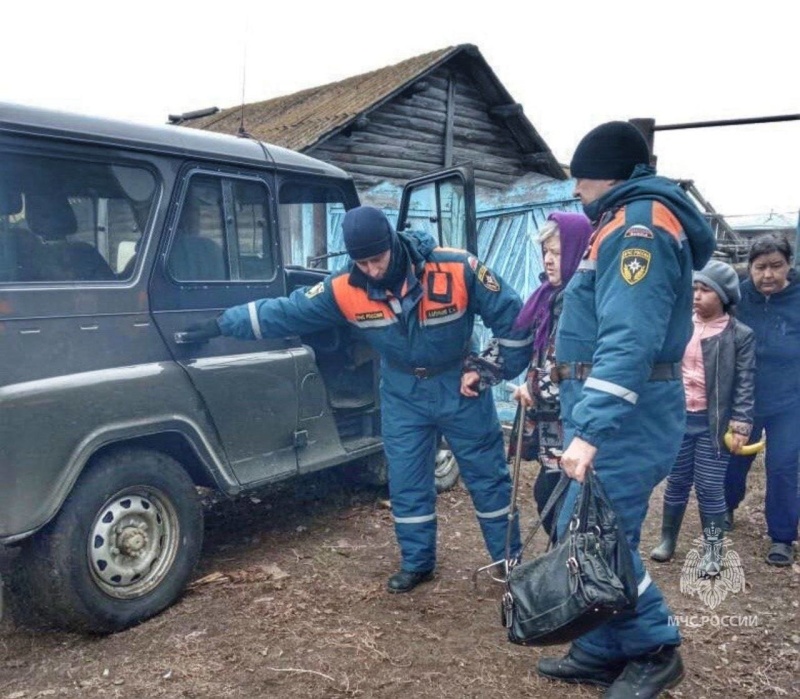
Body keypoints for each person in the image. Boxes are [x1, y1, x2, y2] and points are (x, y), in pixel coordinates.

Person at [181, 206, 531, 592]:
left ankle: (508, 562)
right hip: (402, 393)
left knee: (488, 479)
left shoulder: (456, 267)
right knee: (407, 481)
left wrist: (488, 369)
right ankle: (417, 563)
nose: (372, 270)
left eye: (377, 259)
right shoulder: (345, 286)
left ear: (393, 245)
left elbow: (513, 317)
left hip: (458, 386)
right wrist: (220, 324)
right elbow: (288, 312)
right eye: (362, 262)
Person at [536, 121, 715, 699]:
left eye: (579, 181)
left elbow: (629, 339)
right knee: (606, 529)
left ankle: (655, 648)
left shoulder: (637, 225)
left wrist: (587, 430)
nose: (576, 193)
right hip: (618, 409)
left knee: (595, 534)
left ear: (599, 174)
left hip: (626, 416)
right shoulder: (618, 221)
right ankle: (600, 647)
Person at [650, 260, 754, 576]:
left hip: (715, 425)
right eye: (694, 288)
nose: (696, 295)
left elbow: (745, 381)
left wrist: (741, 422)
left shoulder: (740, 335)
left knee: (709, 487)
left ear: (724, 295)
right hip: (679, 419)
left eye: (705, 289)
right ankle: (668, 540)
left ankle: (712, 549)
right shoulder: (681, 324)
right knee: (677, 481)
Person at [510, 212, 592, 535]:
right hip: (549, 420)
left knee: (559, 496)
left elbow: (573, 368)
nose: (548, 260)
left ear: (576, 250)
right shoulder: (547, 298)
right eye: (545, 252)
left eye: (557, 252)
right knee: (549, 492)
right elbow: (539, 352)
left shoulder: (581, 301)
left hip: (573, 419)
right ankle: (564, 562)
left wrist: (534, 386)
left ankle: (570, 565)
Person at [724, 234, 800, 567]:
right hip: (744, 398)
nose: (767, 275)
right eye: (760, 267)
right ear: (750, 268)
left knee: (783, 466)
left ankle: (782, 537)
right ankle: (725, 507)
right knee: (734, 458)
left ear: (790, 265)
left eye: (776, 266)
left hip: (790, 400)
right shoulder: (737, 296)